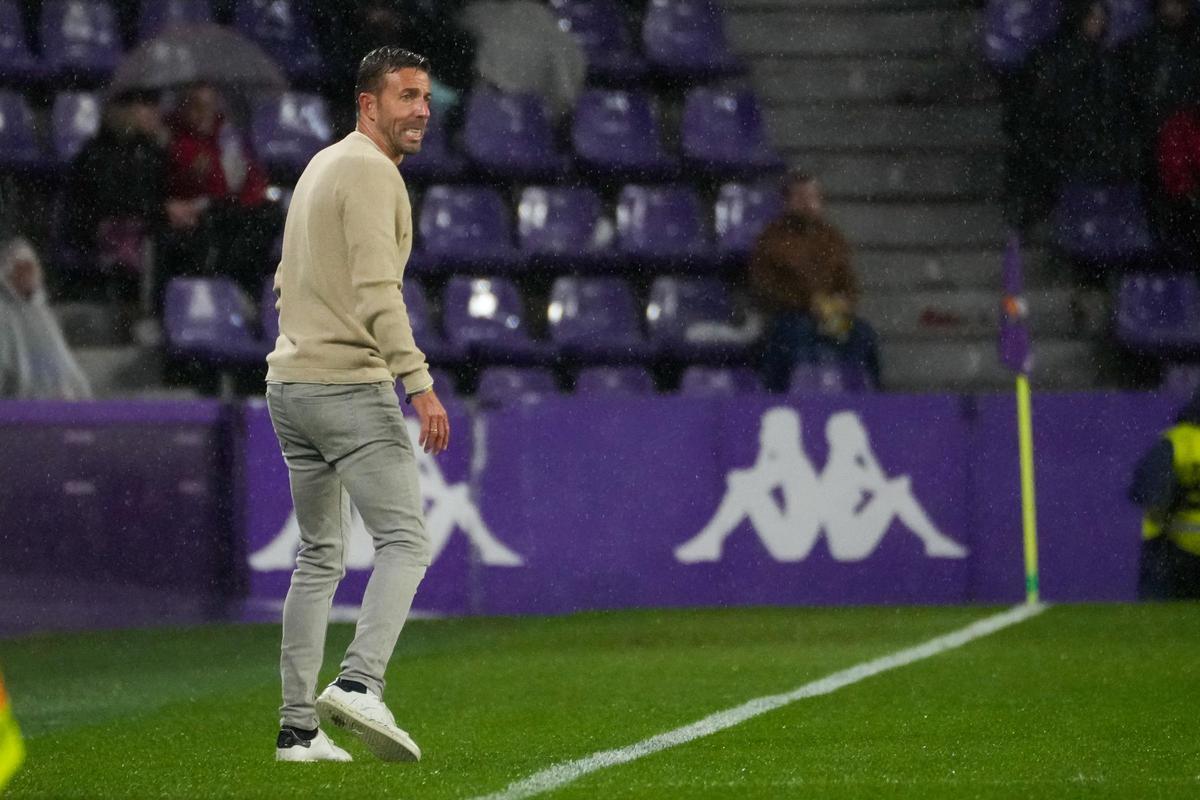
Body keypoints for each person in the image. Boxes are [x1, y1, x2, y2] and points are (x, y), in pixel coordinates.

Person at [264, 46, 449, 764]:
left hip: (291, 385)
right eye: (406, 96)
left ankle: (296, 731)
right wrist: (418, 383)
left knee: (318, 558)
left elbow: (285, 280)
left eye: (425, 97)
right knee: (406, 542)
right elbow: (377, 293)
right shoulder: (372, 173)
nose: (421, 111)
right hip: (346, 387)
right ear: (368, 104)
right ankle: (359, 683)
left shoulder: (322, 164)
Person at [750, 172, 880, 392]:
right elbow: (765, 286)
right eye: (801, 197)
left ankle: (865, 397)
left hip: (831, 318)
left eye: (813, 197)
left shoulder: (832, 238)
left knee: (862, 334)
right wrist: (808, 302)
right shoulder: (770, 239)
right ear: (787, 202)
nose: (808, 203)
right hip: (791, 317)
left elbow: (848, 282)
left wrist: (843, 302)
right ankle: (803, 395)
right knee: (799, 336)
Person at [160, 83, 281, 304]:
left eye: (209, 107)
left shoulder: (228, 137)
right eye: (196, 107)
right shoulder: (174, 141)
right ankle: (230, 289)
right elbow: (183, 186)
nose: (203, 114)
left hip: (231, 211)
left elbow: (250, 179)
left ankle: (246, 292)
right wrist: (197, 174)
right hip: (195, 217)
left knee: (267, 215)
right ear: (184, 108)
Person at [66, 90, 171, 280]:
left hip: (146, 227)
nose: (156, 112)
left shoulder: (152, 151)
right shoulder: (97, 152)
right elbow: (110, 203)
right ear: (124, 110)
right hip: (102, 231)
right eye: (147, 105)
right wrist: (161, 211)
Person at [0, 238, 93, 400]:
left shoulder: (43, 312)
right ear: (9, 274)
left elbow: (64, 363)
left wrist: (82, 395)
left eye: (31, 268)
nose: (29, 275)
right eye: (21, 268)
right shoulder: (4, 314)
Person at [1129, 391, 1200, 600]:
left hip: (1170, 550)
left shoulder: (1176, 442)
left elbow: (1154, 502)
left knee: (1159, 613)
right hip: (1176, 550)